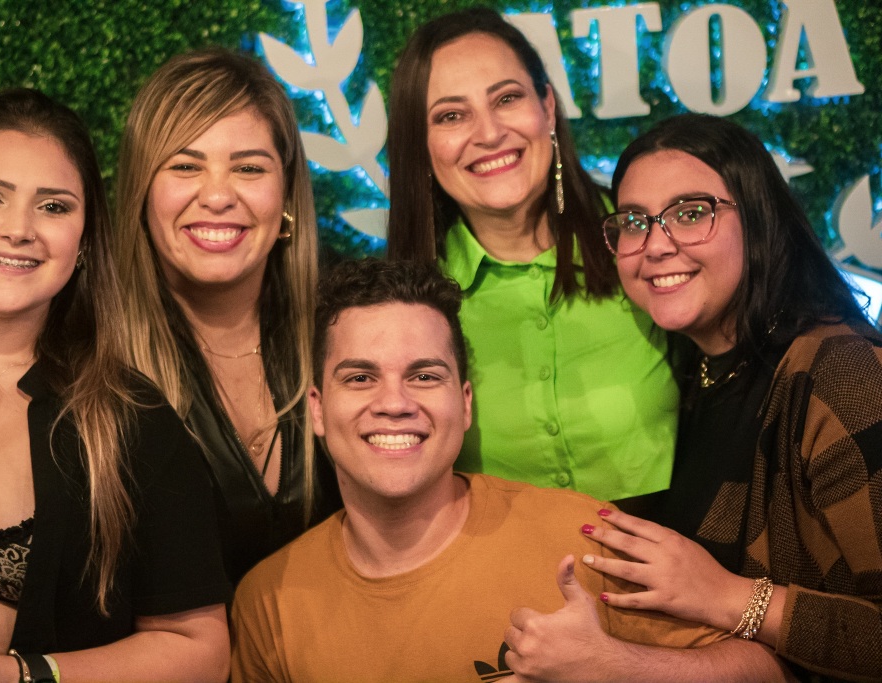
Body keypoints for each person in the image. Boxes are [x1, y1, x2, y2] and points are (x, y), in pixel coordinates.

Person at [231, 258, 790, 682]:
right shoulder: (268, 600)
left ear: (465, 404)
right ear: (318, 409)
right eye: (360, 378)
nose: (394, 403)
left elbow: (766, 670)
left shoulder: (582, 538)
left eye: (425, 376)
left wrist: (616, 666)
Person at [0, 89, 231, 683]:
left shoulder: (133, 422)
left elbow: (201, 652)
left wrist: (16, 676)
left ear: (86, 240)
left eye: (53, 207)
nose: (17, 229)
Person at [582, 113, 882, 682]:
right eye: (634, 222)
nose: (655, 246)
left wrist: (728, 596)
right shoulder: (681, 371)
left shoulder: (841, 373)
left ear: (760, 219)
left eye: (691, 213)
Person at [385, 7, 677, 507]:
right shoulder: (402, 304)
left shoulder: (645, 241)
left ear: (547, 106)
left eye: (507, 98)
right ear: (421, 145)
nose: (489, 133)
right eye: (451, 116)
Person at [115, 48, 341, 586]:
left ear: (286, 194)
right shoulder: (89, 352)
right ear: (142, 190)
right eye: (185, 166)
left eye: (248, 168)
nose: (217, 196)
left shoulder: (342, 328)